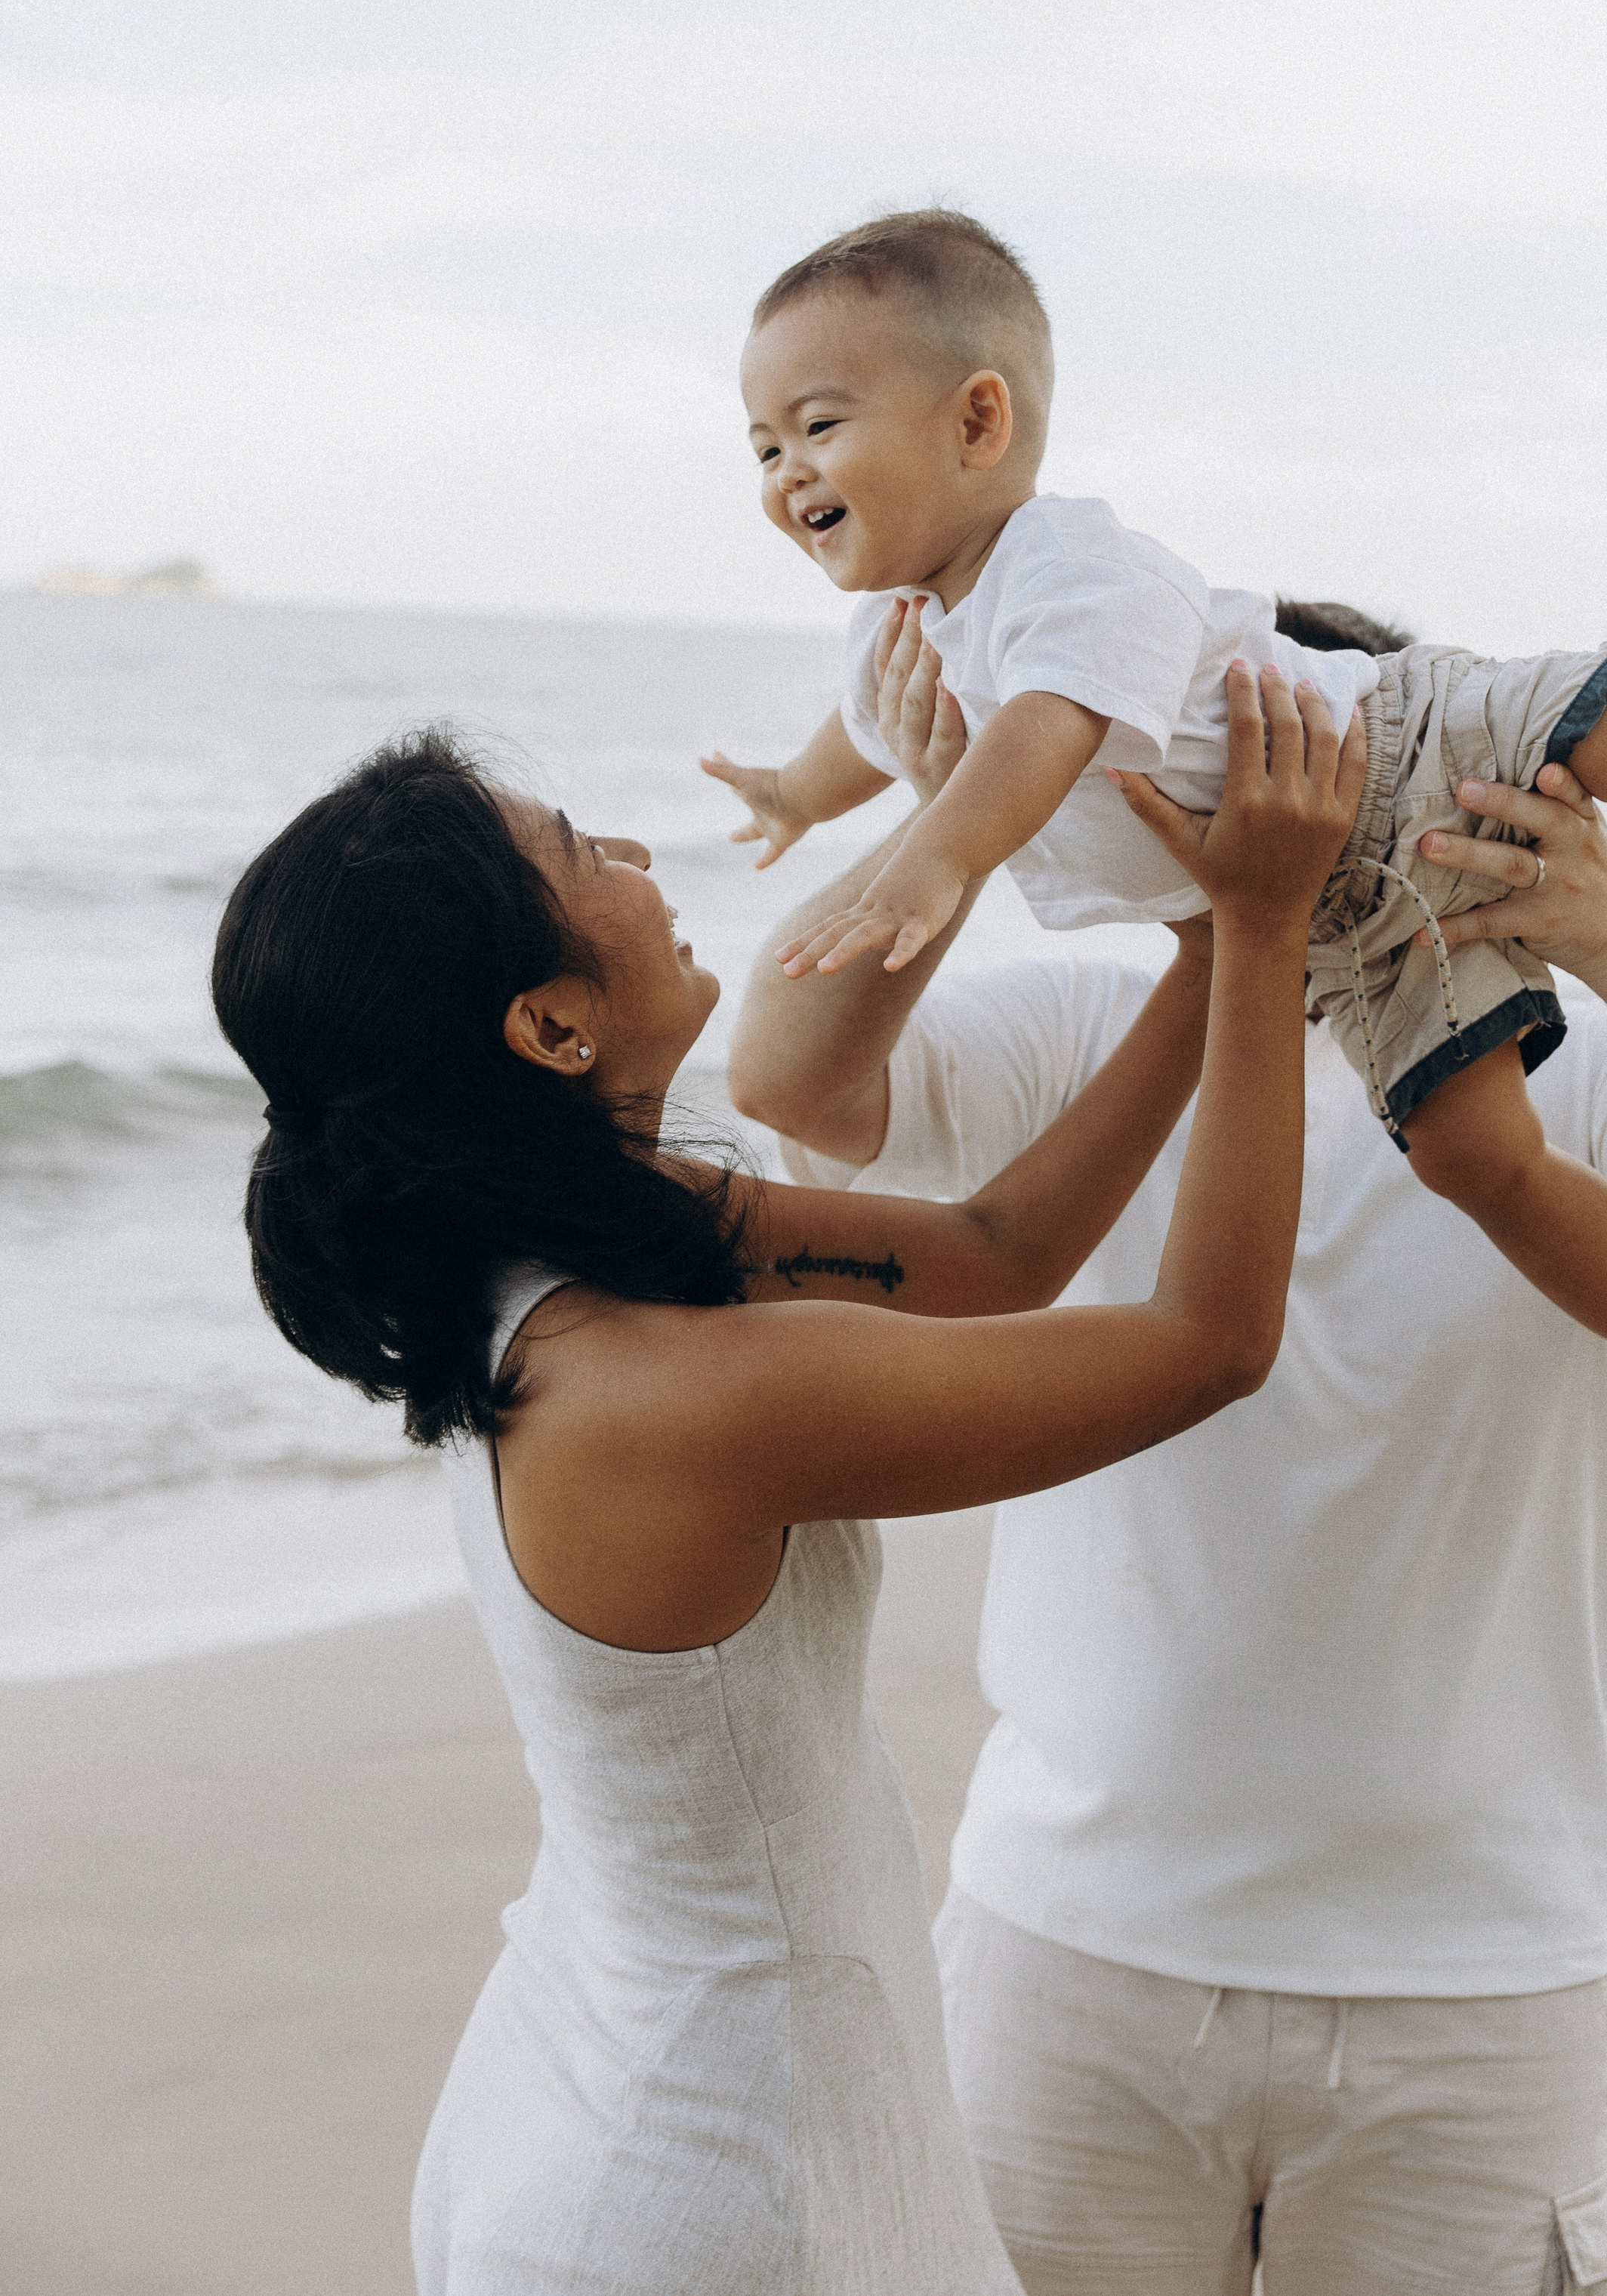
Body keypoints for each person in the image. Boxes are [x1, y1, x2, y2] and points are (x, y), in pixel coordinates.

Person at [726, 602, 1607, 2296]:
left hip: (1475, 1984)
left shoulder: (1536, 1075)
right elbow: (788, 1076)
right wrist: (944, 820)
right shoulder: (1088, 1025)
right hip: (1071, 1955)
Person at [208, 679, 1360, 2296]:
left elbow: (998, 1258)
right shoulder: (662, 1393)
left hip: (596, 2066)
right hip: (718, 2176)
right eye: (575, 850)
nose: (627, 845)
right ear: (546, 1024)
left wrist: (1198, 949)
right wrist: (1262, 931)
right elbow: (1205, 1344)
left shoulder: (567, 1235)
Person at [705, 206, 1607, 1513]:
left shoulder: (1068, 567)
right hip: (1360, 923)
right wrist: (795, 794)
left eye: (819, 424)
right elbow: (864, 737)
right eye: (764, 444)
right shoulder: (901, 633)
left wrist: (941, 856)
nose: (789, 468)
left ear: (977, 423)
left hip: (1397, 752)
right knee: (1478, 1160)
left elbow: (1044, 726)